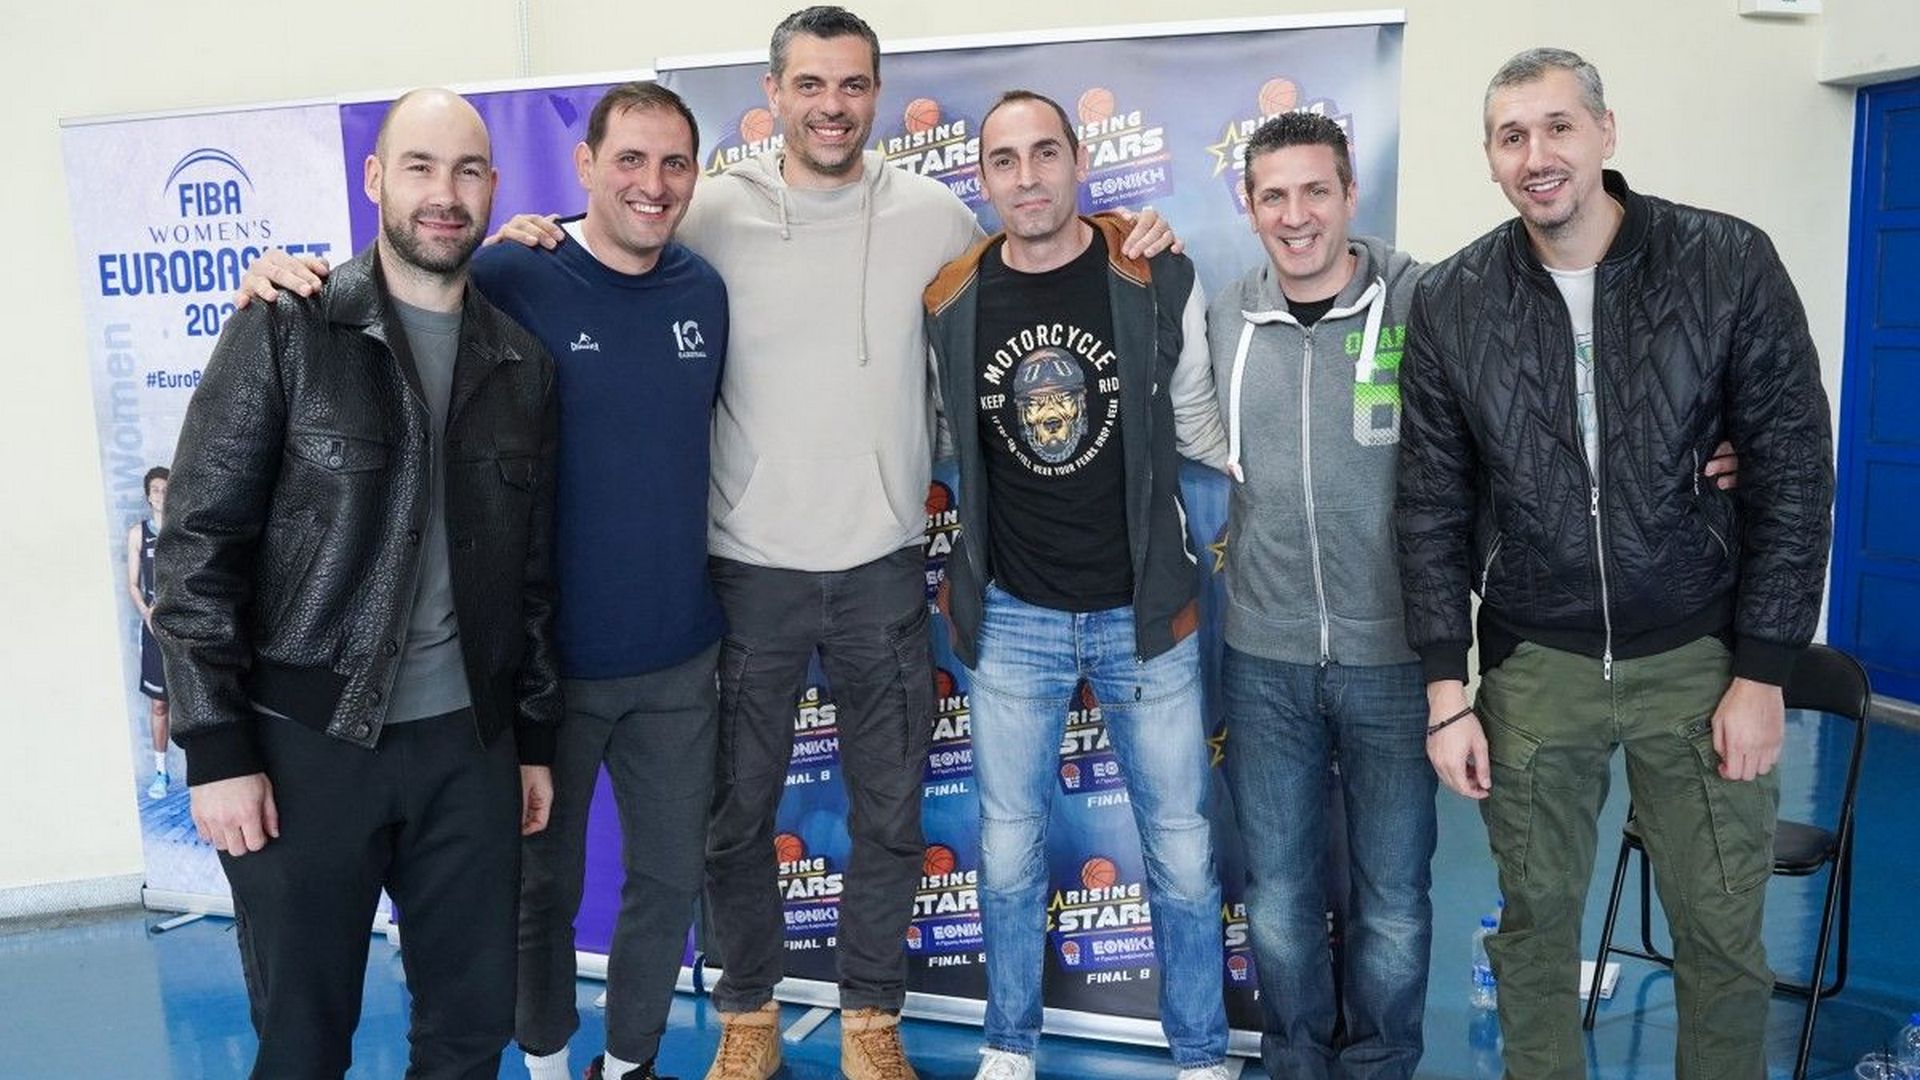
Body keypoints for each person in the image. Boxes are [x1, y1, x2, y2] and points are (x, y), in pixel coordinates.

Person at [236, 81, 725, 1080]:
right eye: (629, 159)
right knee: (336, 1015)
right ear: (581, 167)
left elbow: (534, 544)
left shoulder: (658, 304)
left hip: (586, 686)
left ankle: (626, 1063)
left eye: (674, 162)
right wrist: (282, 276)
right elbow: (202, 542)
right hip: (423, 706)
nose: (652, 182)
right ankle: (546, 1061)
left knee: (625, 913)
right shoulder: (466, 283)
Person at [1395, 48, 1833, 1080]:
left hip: (1698, 659)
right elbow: (1429, 504)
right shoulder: (1455, 299)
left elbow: (1792, 468)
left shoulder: (1725, 261)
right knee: (1534, 931)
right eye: (1512, 137)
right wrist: (1447, 692)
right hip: (1535, 666)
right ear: (1491, 159)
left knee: (1720, 936)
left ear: (1605, 132)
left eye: (1558, 127)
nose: (1537, 155)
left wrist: (1763, 672)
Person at [153, 88, 560, 1080]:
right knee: (302, 1045)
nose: (444, 193)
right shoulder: (285, 329)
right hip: (305, 749)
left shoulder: (522, 364)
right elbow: (197, 545)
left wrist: (532, 741)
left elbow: (530, 578)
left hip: (469, 749)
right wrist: (216, 748)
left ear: (493, 188)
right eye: (420, 166)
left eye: (468, 170)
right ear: (376, 179)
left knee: (470, 1035)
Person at [922, 89, 1230, 1080]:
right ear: (983, 178)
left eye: (1045, 153)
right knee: (1008, 854)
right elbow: (940, 439)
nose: (1027, 177)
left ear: (1079, 161)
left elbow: (1199, 426)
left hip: (1146, 614)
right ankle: (1008, 1045)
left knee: (1182, 854)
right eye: (1004, 160)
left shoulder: (1153, 271)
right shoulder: (951, 300)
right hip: (1013, 617)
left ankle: (1200, 1054)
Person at [127, 465, 172, 799]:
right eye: (156, 489)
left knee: (197, 699)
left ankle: (205, 775)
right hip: (155, 625)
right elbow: (133, 584)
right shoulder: (138, 534)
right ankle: (161, 773)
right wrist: (147, 614)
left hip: (185, 626)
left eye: (166, 489)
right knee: (160, 705)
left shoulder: (185, 529)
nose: (161, 494)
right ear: (148, 496)